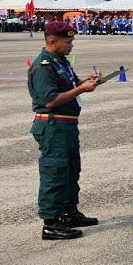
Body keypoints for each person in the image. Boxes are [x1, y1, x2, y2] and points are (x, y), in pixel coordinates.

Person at [28, 20, 102, 240]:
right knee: (55, 172)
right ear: (52, 41)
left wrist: (87, 82)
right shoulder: (43, 66)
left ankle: (69, 212)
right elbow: (50, 100)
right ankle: (51, 222)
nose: (71, 45)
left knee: (70, 170)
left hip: (66, 126)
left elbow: (69, 86)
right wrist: (81, 88)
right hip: (53, 125)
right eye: (67, 41)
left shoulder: (60, 61)